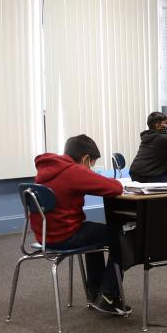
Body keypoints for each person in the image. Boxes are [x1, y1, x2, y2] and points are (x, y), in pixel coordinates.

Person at [33, 135, 129, 316]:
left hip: (46, 235)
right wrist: (91, 174)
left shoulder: (48, 169)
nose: (91, 168)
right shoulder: (74, 171)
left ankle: (96, 293)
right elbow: (115, 188)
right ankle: (109, 296)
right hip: (66, 235)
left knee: (96, 233)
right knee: (123, 235)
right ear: (85, 158)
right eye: (91, 164)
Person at [129, 112, 167, 183]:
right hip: (148, 175)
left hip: (137, 174)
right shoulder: (162, 138)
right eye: (166, 123)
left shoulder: (149, 136)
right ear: (158, 126)